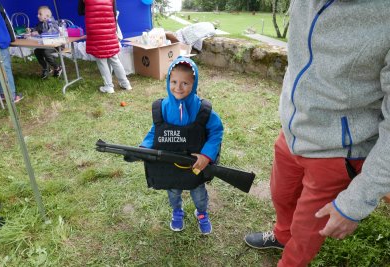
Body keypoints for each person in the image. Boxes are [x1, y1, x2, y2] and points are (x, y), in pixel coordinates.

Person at [244, 1, 390, 266]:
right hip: (291, 133)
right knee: (281, 195)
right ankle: (281, 235)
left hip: (336, 152)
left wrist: (357, 202)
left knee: (305, 236)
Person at [140, 56, 223, 235]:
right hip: (171, 166)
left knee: (199, 194)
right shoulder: (162, 107)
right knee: (173, 192)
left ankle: (201, 213)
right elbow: (156, 130)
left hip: (195, 165)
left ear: (194, 84)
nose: (178, 87)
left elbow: (216, 132)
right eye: (174, 81)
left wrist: (207, 155)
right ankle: (177, 212)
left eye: (185, 83)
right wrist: (144, 148)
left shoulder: (203, 110)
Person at [78, 0, 132, 94]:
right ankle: (125, 83)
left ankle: (109, 86)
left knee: (101, 60)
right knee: (114, 59)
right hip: (109, 31)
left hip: (96, 33)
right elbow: (114, 12)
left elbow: (80, 11)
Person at [0, 0, 23, 103]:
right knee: (5, 68)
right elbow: (6, 20)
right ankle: (12, 95)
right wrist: (12, 38)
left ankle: (2, 93)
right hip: (0, 40)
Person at [27, 6, 62, 79]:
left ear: (47, 16)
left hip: (56, 45)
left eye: (40, 14)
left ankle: (57, 67)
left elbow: (52, 32)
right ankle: (46, 67)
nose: (38, 15)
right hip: (46, 44)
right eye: (38, 14)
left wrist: (39, 33)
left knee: (46, 52)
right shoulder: (41, 23)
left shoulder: (52, 23)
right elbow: (37, 28)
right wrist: (31, 30)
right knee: (37, 51)